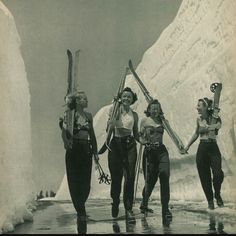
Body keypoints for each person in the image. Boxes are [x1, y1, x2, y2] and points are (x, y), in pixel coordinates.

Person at [59, 91, 98, 234]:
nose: (86, 100)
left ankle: (81, 206)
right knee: (74, 181)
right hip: (73, 149)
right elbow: (64, 132)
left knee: (85, 183)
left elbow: (92, 135)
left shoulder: (88, 116)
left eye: (86, 98)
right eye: (83, 99)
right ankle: (81, 211)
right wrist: (66, 142)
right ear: (77, 101)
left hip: (86, 149)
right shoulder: (69, 115)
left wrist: (95, 151)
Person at [183, 97, 224, 210]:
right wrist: (187, 146)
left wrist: (210, 126)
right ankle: (210, 202)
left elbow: (218, 126)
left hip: (213, 147)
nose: (197, 107)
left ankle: (217, 194)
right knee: (204, 177)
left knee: (218, 174)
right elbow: (196, 134)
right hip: (202, 149)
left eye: (199, 105)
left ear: (206, 107)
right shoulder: (199, 119)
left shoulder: (215, 118)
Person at [107, 87, 139, 223]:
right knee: (116, 178)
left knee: (130, 176)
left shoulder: (135, 115)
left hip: (130, 144)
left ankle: (128, 208)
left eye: (129, 97)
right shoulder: (115, 110)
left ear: (132, 100)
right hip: (116, 144)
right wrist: (112, 122)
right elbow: (108, 126)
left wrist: (144, 140)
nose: (126, 98)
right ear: (121, 98)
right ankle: (115, 201)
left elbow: (136, 134)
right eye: (124, 96)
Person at [139, 99, 172, 224]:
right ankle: (144, 202)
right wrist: (143, 141)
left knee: (164, 175)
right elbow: (140, 136)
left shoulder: (162, 121)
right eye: (153, 108)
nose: (155, 110)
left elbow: (171, 132)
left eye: (157, 108)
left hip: (162, 152)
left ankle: (165, 209)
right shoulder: (144, 121)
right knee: (150, 180)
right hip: (149, 153)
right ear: (148, 109)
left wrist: (165, 121)